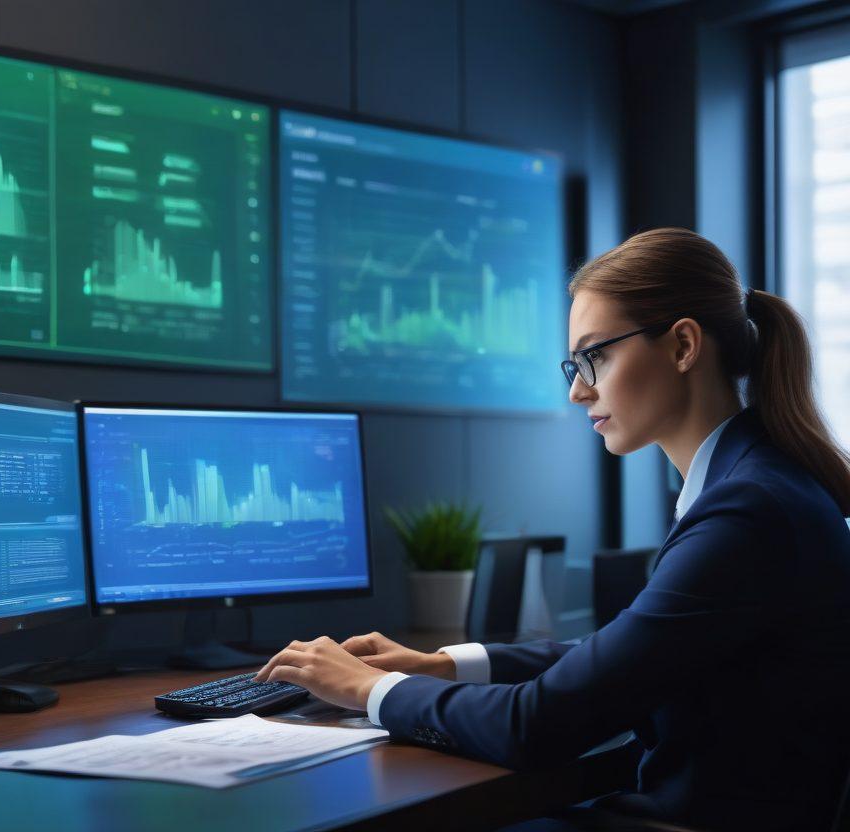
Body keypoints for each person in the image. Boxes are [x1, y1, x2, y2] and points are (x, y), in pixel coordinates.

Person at [254, 228, 850, 832]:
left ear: (683, 346)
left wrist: (369, 689)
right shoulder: (754, 483)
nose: (577, 390)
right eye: (575, 365)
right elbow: (624, 657)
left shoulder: (746, 511)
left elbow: (536, 726)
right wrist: (444, 664)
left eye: (596, 357)